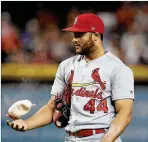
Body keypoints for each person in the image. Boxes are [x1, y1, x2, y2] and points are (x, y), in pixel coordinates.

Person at [6, 13, 134, 142]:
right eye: (74, 34)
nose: (74, 39)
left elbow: (125, 113)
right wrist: (27, 124)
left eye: (80, 34)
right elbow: (52, 107)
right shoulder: (66, 66)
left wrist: (106, 140)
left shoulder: (117, 68)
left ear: (96, 36)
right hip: (70, 138)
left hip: (101, 136)